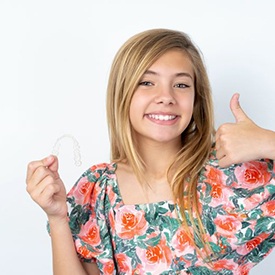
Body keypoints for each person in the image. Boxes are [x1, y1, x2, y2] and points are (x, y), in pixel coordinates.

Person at [26, 28, 275, 275]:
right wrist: (57, 219)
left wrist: (268, 142)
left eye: (180, 84)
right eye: (147, 82)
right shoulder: (98, 192)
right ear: (122, 93)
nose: (165, 96)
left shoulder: (228, 173)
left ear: (196, 99)